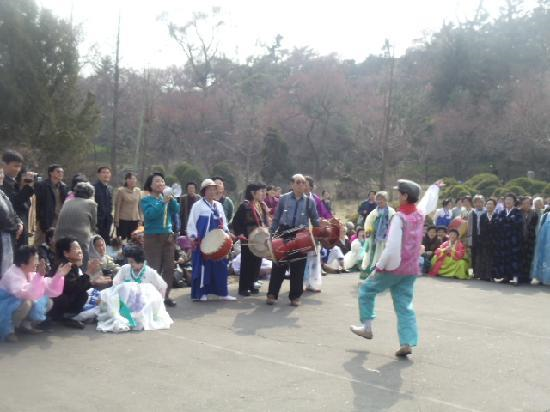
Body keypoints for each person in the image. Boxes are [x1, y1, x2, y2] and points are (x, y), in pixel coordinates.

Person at [350, 179, 442, 357]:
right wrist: (434, 188)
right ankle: (406, 342)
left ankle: (367, 327)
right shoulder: (419, 214)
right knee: (404, 305)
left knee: (366, 289)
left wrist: (379, 267)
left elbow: (391, 248)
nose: (397, 196)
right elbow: (427, 202)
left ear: (405, 196)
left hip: (394, 267)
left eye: (399, 193)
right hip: (411, 268)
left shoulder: (400, 218)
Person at [267, 174, 320, 306]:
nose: (301, 185)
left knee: (298, 266)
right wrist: (272, 233)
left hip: (301, 236)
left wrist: (319, 232)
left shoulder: (310, 201)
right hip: (283, 233)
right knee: (279, 264)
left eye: (303, 183)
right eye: (298, 182)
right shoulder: (284, 199)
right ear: (292, 184)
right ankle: (272, 294)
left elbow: (315, 219)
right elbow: (277, 217)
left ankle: (295, 297)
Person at [0, 246, 72, 342]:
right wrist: (39, 276)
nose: (37, 263)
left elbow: (46, 286)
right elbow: (24, 293)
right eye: (34, 259)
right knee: (27, 303)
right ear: (23, 264)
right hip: (5, 304)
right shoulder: (13, 274)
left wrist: (58, 276)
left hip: (19, 300)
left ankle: (25, 324)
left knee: (48, 301)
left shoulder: (30, 272)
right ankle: (9, 329)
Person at [97, 245, 173, 333]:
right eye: (129, 262)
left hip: (143, 304)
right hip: (125, 302)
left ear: (140, 261)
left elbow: (162, 286)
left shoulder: (150, 272)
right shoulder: (125, 269)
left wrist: (158, 302)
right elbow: (116, 284)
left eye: (132, 262)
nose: (130, 264)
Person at [186, 179, 235, 301]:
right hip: (203, 241)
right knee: (203, 267)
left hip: (218, 241)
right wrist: (193, 237)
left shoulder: (218, 205)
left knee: (221, 266)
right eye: (209, 189)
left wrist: (227, 232)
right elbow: (191, 222)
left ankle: (222, 293)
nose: (212, 192)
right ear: (204, 191)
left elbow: (223, 221)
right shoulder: (198, 205)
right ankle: (201, 293)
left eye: (214, 189)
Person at [141, 172, 180, 307]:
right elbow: (150, 215)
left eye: (162, 181)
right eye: (157, 181)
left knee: (169, 268)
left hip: (168, 236)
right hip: (153, 237)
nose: (160, 184)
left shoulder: (166, 198)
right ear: (150, 185)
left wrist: (172, 199)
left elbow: (176, 210)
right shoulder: (146, 200)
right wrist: (162, 202)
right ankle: (152, 297)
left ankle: (165, 295)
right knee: (154, 268)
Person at [49, 237, 100, 329]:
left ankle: (68, 316)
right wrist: (88, 272)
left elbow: (78, 285)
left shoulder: (72, 265)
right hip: (55, 302)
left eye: (80, 248)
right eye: (76, 249)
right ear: (66, 253)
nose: (80, 251)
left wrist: (92, 281)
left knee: (83, 295)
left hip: (66, 298)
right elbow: (73, 287)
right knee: (73, 296)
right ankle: (62, 317)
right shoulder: (64, 266)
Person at [231, 183, 269, 296]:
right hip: (247, 239)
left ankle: (253, 284)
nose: (263, 194)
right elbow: (235, 222)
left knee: (257, 263)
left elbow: (265, 222)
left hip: (260, 240)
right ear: (253, 193)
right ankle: (243, 287)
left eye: (264, 191)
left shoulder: (262, 206)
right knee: (247, 263)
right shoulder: (245, 206)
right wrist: (240, 234)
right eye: (261, 191)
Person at [54, 182, 97, 269]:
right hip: (80, 237)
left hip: (59, 236)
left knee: (61, 259)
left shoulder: (67, 202)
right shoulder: (91, 203)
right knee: (83, 256)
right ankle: (82, 274)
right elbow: (93, 224)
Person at [303, 176, 332, 292]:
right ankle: (302, 283)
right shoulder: (296, 198)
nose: (302, 185)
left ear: (311, 187)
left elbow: (326, 214)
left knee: (314, 258)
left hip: (314, 233)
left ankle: (313, 283)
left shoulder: (316, 199)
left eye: (305, 184)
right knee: (302, 259)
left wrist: (327, 222)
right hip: (301, 232)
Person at [360, 191, 396, 280]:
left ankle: (384, 277)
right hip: (375, 238)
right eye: (378, 200)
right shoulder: (374, 212)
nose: (379, 202)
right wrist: (368, 230)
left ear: (386, 200)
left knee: (385, 257)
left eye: (381, 200)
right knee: (372, 256)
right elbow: (368, 222)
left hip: (386, 238)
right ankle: (371, 275)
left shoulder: (391, 212)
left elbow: (394, 224)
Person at [1, 150, 34, 247]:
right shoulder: (3, 183)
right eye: (15, 166)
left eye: (19, 167)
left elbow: (25, 204)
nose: (18, 170)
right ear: (4, 165)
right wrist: (27, 188)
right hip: (11, 231)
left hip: (21, 228)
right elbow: (12, 203)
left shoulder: (15, 182)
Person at [493, 194, 523, 285]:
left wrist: (505, 221)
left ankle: (515, 278)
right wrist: (509, 220)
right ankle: (506, 277)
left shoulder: (517, 212)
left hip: (514, 239)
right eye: (506, 199)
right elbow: (497, 222)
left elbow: (517, 223)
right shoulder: (501, 212)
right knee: (504, 258)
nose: (508, 201)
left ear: (514, 202)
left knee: (514, 259)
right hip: (502, 239)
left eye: (510, 199)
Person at [34, 164, 67, 245]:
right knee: (41, 243)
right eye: (58, 171)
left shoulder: (63, 187)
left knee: (56, 244)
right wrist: (39, 216)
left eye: (62, 172)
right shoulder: (42, 185)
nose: (61, 174)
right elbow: (37, 203)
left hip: (59, 219)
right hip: (45, 219)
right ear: (51, 173)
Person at [0, 169, 24, 276]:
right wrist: (15, 227)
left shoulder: (2, 193)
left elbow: (12, 212)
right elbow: (3, 217)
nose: (1, 176)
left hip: (7, 238)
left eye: (1, 173)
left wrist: (19, 223)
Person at [473, 198, 499, 281]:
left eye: (491, 204)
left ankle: (491, 275)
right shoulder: (482, 216)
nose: (489, 206)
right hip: (484, 241)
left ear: (494, 206)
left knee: (492, 259)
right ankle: (483, 275)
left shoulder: (497, 216)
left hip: (494, 241)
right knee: (484, 258)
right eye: (487, 204)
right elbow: (481, 229)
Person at [114, 172, 143, 240]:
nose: (132, 180)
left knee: (134, 240)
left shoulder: (138, 191)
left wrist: (141, 219)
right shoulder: (121, 191)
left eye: (134, 179)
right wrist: (116, 220)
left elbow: (140, 206)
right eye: (130, 179)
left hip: (135, 220)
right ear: (126, 180)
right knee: (122, 240)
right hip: (123, 220)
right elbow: (117, 206)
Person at [519, 196, 539, 284]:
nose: (525, 205)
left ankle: (527, 277)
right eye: (523, 203)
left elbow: (535, 227)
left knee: (528, 259)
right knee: (520, 258)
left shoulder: (534, 214)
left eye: (527, 203)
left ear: (530, 204)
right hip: (519, 239)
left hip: (530, 239)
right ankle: (519, 276)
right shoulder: (518, 213)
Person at [467, 195, 485, 279]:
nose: (478, 204)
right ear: (474, 203)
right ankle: (472, 273)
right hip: (473, 237)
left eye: (480, 202)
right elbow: (469, 226)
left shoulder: (486, 212)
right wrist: (469, 238)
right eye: (476, 202)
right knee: (472, 256)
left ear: (483, 203)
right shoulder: (471, 212)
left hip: (483, 237)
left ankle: (480, 273)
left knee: (481, 255)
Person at [94, 167, 114, 244]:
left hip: (107, 220)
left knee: (106, 242)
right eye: (103, 172)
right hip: (97, 220)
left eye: (108, 172)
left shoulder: (110, 188)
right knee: (96, 242)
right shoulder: (94, 187)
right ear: (98, 175)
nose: (106, 174)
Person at [531, 208, 550, 285]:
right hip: (544, 243)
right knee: (543, 259)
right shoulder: (545, 215)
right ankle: (541, 277)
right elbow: (539, 228)